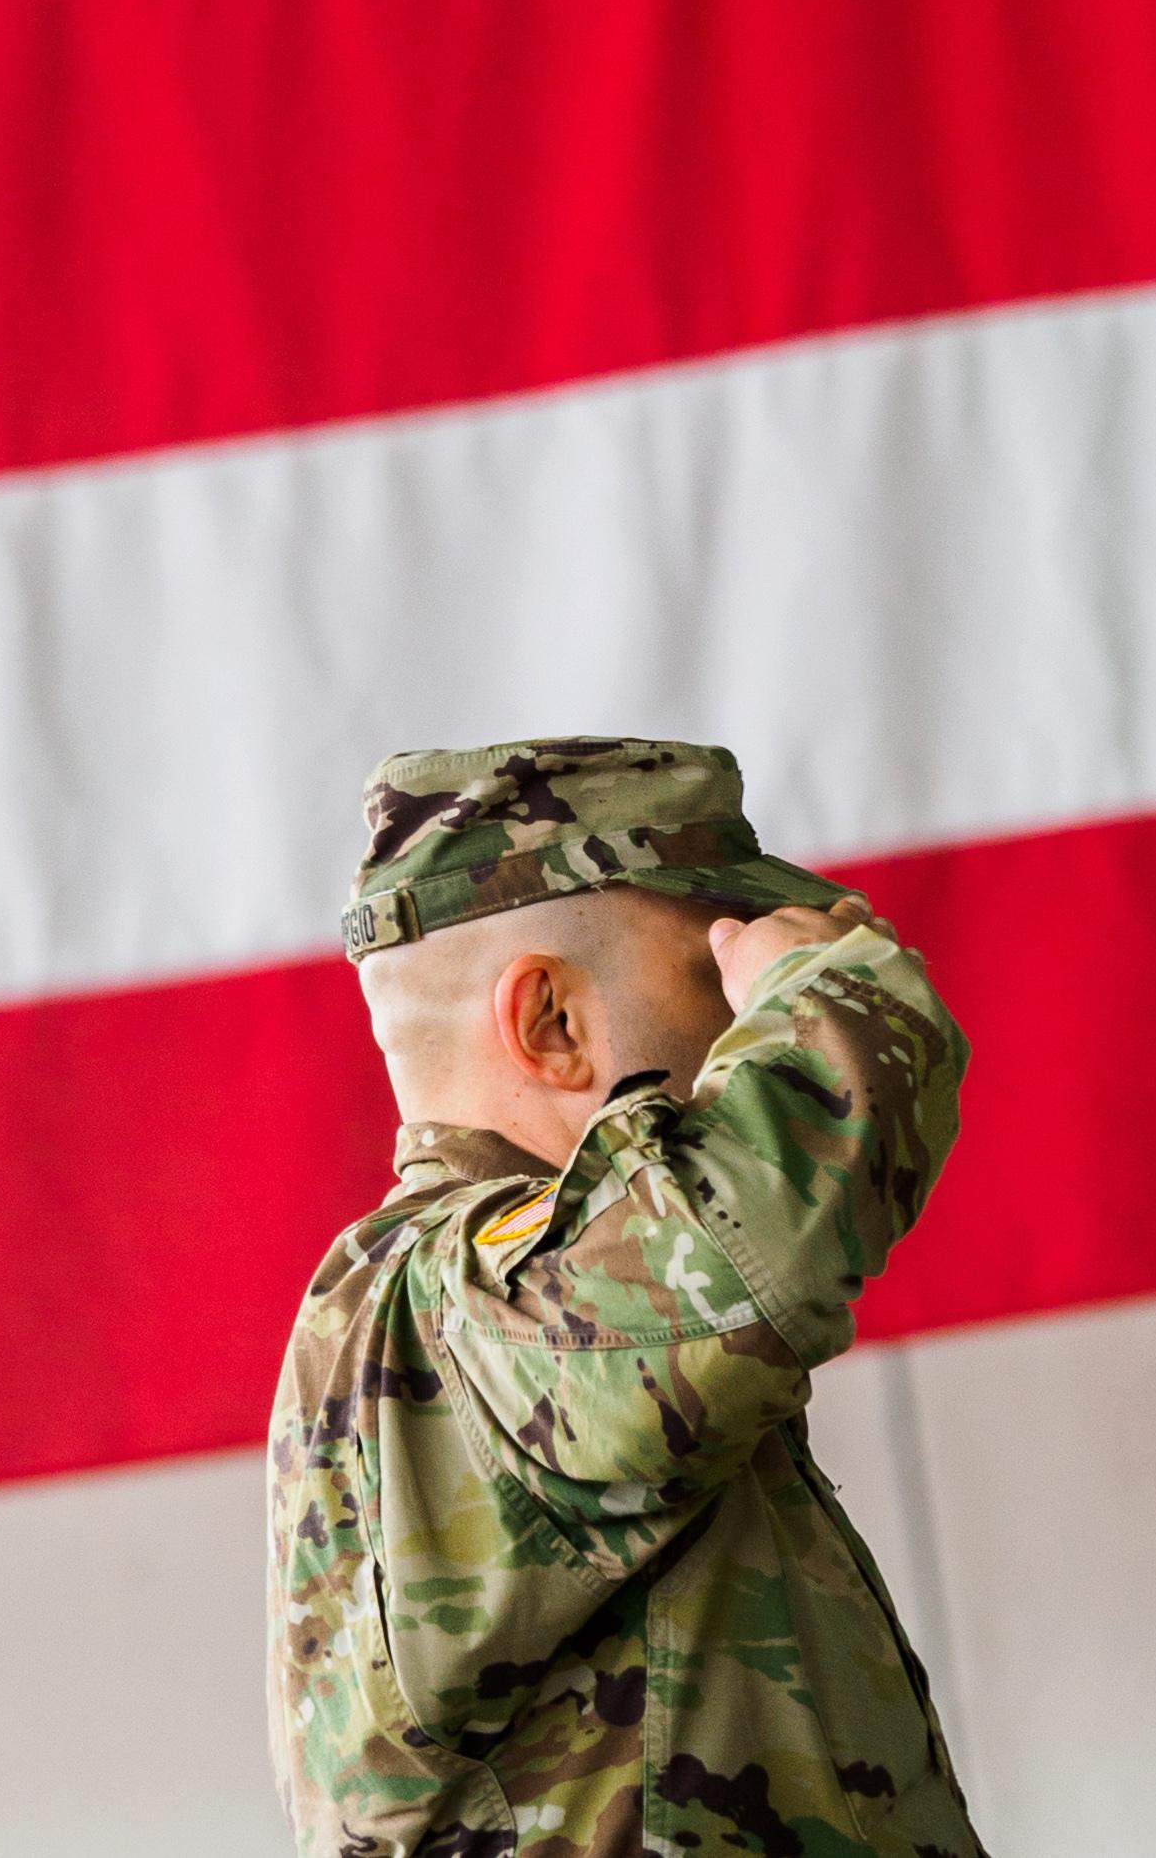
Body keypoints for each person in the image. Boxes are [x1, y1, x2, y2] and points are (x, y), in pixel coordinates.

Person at [266, 734, 984, 1858]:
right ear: (549, 1022)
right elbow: (754, 1237)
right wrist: (825, 993)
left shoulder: (494, 1293)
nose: (746, 1004)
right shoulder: (466, 1299)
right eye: (715, 969)